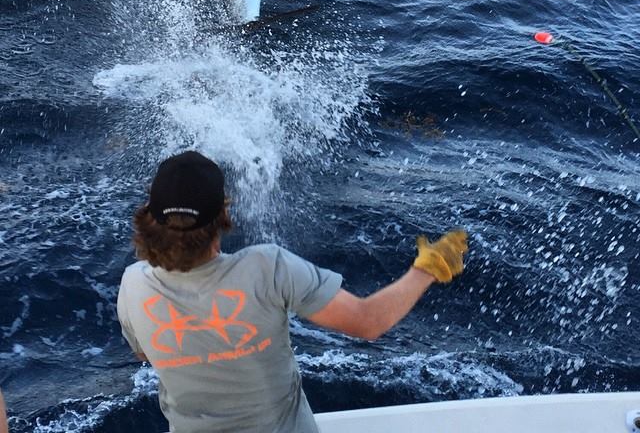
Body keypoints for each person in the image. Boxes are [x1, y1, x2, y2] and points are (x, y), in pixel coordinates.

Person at [117, 151, 468, 433]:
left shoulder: (133, 284)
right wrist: (428, 268)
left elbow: (146, 356)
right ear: (223, 215)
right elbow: (369, 322)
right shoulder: (266, 267)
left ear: (151, 218)